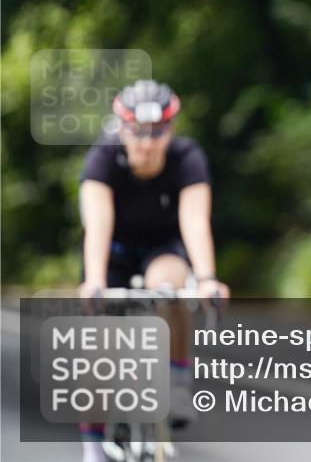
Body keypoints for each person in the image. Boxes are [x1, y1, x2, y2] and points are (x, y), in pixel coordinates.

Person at [77, 79, 230, 462]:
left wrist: (207, 278)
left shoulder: (187, 158)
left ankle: (176, 378)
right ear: (121, 128)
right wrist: (94, 281)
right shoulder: (102, 158)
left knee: (169, 287)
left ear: (171, 129)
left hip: (161, 249)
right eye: (138, 132)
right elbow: (97, 223)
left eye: (158, 132)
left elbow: (195, 222)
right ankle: (93, 446)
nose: (147, 143)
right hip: (112, 253)